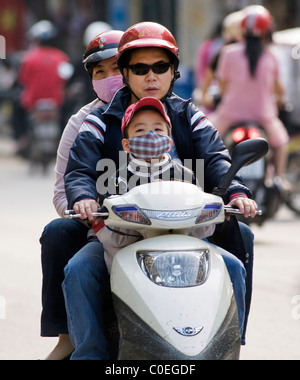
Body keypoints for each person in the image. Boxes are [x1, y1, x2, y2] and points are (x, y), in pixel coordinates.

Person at [62, 21, 257, 360]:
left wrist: (237, 192)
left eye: (160, 67)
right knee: (78, 270)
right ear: (125, 73)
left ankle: (227, 349)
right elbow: (78, 170)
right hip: (117, 235)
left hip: (188, 233)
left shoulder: (190, 116)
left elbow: (217, 159)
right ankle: (89, 353)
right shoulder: (98, 121)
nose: (151, 77)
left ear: (173, 72)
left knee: (235, 267)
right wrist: (83, 198)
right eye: (140, 68)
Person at [39, 29, 124, 360]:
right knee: (59, 234)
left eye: (116, 68)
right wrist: (86, 208)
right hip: (103, 229)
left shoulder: (170, 114)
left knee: (236, 239)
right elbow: (64, 189)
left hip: (166, 225)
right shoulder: (84, 122)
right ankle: (67, 336)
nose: (109, 78)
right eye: (99, 72)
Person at [96, 96, 216, 274]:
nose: (150, 134)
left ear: (169, 143)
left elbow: (202, 230)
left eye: (158, 129)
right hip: (130, 265)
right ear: (126, 145)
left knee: (232, 266)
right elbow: (113, 236)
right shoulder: (116, 180)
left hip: (183, 261)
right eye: (140, 130)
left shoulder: (186, 176)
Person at [209, 5, 289, 188]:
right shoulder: (272, 56)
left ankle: (202, 177)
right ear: (267, 30)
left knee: (205, 139)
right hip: (263, 116)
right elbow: (279, 90)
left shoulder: (228, 53)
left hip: (229, 114)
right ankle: (279, 178)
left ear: (243, 28)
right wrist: (279, 101)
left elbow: (221, 87)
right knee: (282, 142)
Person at [15, 20, 71, 155]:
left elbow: (23, 80)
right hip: (56, 100)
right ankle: (65, 140)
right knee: (69, 114)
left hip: (32, 100)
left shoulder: (29, 57)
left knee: (16, 110)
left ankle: (21, 139)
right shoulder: (61, 57)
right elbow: (65, 78)